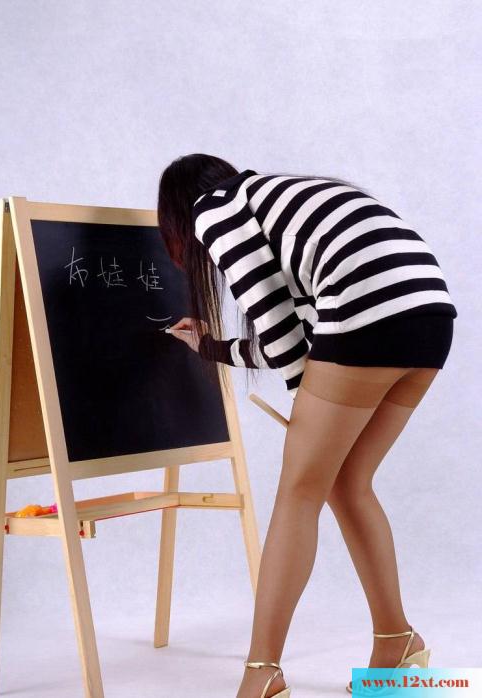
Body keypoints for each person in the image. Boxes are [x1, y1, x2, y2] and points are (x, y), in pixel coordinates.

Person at [157, 153, 457, 698]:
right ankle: (397, 643)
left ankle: (261, 674)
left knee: (300, 490)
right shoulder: (276, 202)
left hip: (368, 311)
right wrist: (211, 346)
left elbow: (283, 339)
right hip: (430, 314)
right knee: (348, 483)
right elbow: (297, 340)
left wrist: (306, 416)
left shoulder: (213, 210)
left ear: (177, 214)